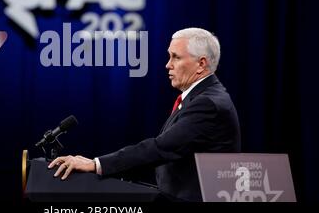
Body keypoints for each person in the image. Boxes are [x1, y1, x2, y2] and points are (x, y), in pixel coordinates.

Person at [48, 27, 241, 202]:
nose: (168, 65)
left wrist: (96, 164)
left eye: (176, 57)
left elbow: (162, 148)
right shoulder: (200, 97)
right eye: (169, 56)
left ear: (201, 64)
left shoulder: (208, 103)